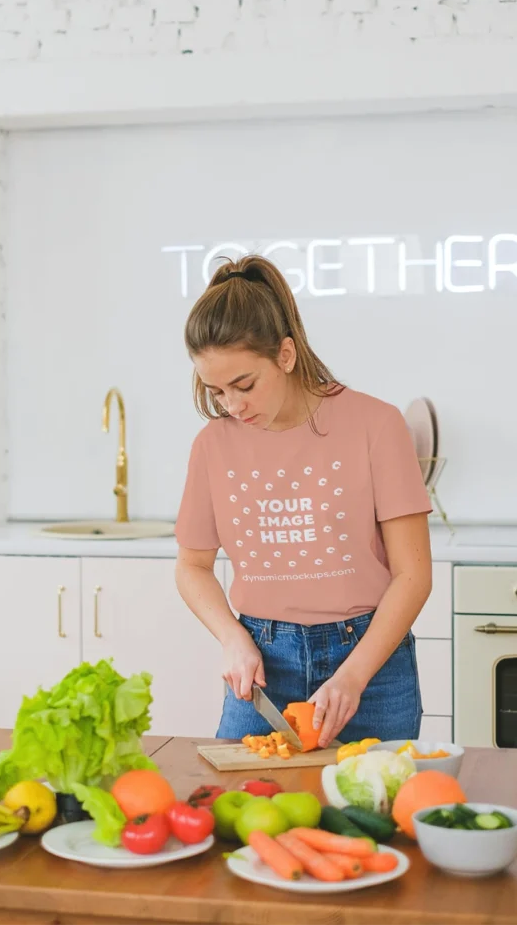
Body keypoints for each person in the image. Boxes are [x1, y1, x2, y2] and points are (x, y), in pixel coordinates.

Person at [174, 254, 432, 748]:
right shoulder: (213, 445)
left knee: (372, 815)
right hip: (264, 664)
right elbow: (193, 566)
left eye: (243, 385)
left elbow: (414, 574)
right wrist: (232, 638)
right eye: (217, 390)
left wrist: (353, 677)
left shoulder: (376, 426)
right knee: (246, 814)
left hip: (371, 662)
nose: (232, 405)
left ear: (286, 355)